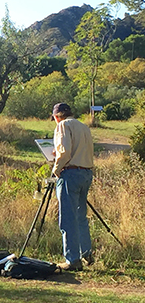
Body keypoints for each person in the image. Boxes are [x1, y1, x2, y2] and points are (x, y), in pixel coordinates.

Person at [51, 103, 94, 271]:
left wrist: (56, 168)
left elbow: (65, 152)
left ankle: (72, 259)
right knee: (80, 216)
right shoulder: (84, 127)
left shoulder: (62, 125)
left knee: (68, 218)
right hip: (86, 172)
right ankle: (86, 253)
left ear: (56, 116)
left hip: (70, 173)